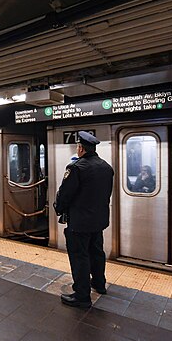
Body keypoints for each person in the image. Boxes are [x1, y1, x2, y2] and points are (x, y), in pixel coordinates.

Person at [54, 131, 114, 308]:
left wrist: (58, 208)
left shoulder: (76, 168)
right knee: (97, 252)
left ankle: (82, 295)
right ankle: (99, 284)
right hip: (99, 221)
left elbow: (65, 194)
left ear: (80, 148)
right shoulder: (106, 167)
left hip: (79, 222)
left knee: (79, 256)